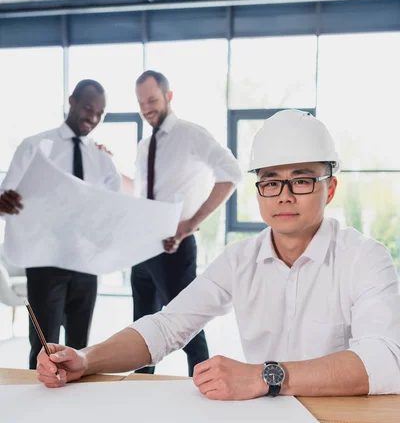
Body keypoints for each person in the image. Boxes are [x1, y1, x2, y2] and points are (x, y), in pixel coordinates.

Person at [37, 109, 400, 397]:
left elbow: (387, 361)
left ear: (330, 188)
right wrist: (86, 358)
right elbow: (167, 326)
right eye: (271, 181)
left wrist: (265, 377)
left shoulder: (365, 259)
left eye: (302, 180)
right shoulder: (240, 260)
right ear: (259, 191)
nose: (284, 195)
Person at [0, 79, 121, 369]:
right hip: (45, 262)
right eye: (88, 108)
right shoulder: (35, 146)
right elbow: (6, 201)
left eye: (99, 113)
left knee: (79, 350)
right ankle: (37, 407)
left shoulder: (102, 160)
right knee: (43, 348)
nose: (92, 117)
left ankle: (73, 411)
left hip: (85, 263)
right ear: (72, 101)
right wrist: (3, 203)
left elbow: (113, 209)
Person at [131, 70, 242, 377]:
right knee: (142, 325)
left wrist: (192, 222)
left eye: (152, 100)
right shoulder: (144, 146)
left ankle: (203, 385)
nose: (146, 108)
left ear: (168, 96)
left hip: (173, 246)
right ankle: (140, 388)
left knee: (187, 325)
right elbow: (143, 193)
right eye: (141, 103)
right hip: (142, 247)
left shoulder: (191, 135)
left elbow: (232, 173)